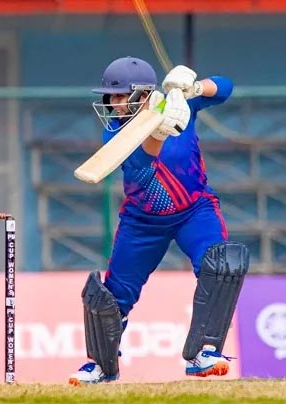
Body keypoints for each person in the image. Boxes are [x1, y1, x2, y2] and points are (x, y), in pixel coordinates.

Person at [69, 56, 250, 386]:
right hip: (142, 222)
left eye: (121, 95)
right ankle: (101, 366)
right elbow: (143, 166)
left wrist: (193, 89)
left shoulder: (179, 104)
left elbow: (225, 88)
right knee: (112, 297)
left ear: (142, 93)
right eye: (111, 96)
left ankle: (204, 353)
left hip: (195, 210)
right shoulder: (115, 133)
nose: (114, 103)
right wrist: (161, 130)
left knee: (221, 265)